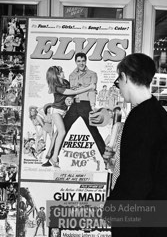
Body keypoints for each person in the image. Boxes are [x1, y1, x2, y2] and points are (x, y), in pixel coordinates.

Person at [103, 53, 167, 237]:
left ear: (124, 77)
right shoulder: (158, 115)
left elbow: (137, 179)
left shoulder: (140, 118)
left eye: (118, 82)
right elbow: (148, 166)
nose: (119, 88)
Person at [42, 65, 95, 167]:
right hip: (56, 111)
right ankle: (54, 158)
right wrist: (89, 88)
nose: (63, 72)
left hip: (64, 111)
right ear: (56, 75)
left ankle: (51, 156)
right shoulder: (57, 87)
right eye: (61, 72)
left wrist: (78, 89)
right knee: (62, 132)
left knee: (58, 134)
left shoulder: (65, 82)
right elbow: (73, 92)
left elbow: (72, 93)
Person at [63, 52, 105, 155]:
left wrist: (93, 105)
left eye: (83, 61)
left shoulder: (92, 74)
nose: (81, 63)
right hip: (74, 105)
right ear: (75, 62)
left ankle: (106, 159)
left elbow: (92, 90)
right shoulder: (71, 75)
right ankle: (52, 157)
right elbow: (71, 92)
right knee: (62, 129)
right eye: (78, 61)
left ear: (85, 61)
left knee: (94, 133)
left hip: (86, 105)